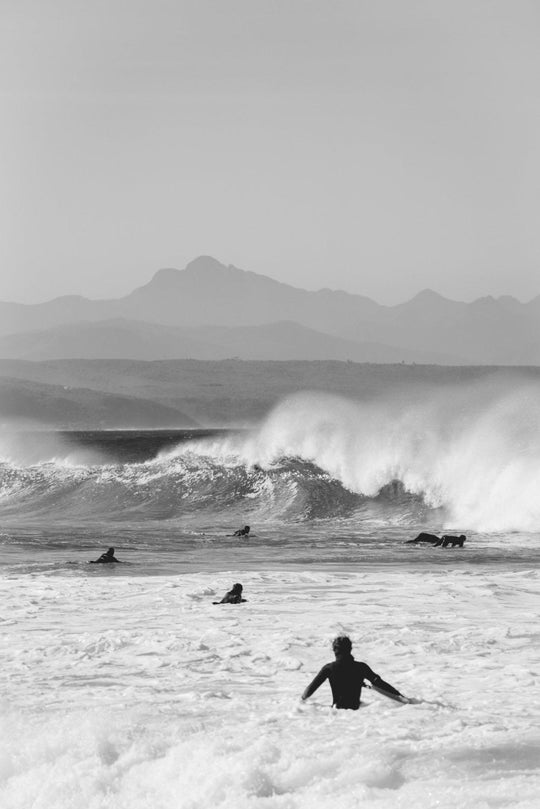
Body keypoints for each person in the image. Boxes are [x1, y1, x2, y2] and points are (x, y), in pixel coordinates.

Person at [301, 635, 403, 709]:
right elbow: (380, 683)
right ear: (350, 649)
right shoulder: (361, 667)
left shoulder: (329, 668)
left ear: (334, 650)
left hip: (337, 714)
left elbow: (308, 692)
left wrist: (299, 702)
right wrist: (401, 697)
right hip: (357, 712)